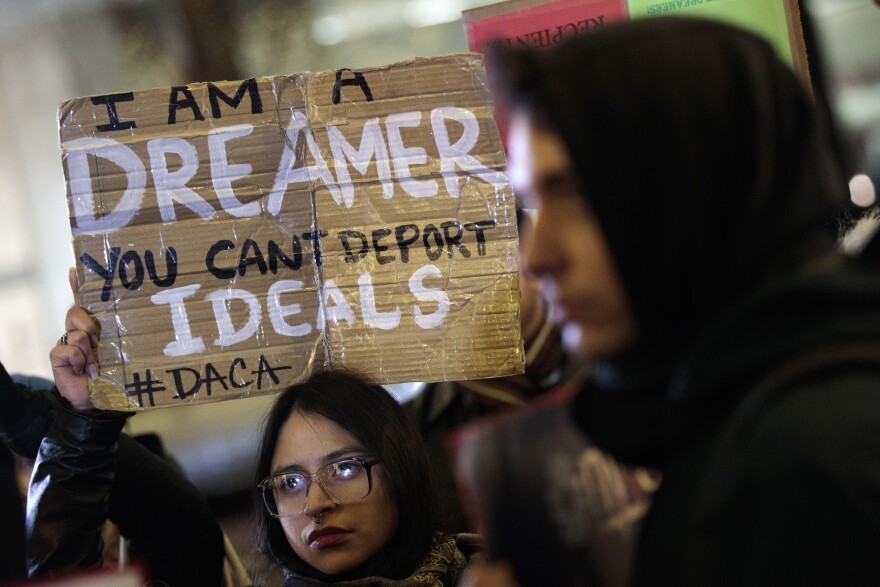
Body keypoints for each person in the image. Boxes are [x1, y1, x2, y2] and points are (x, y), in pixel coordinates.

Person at [467, 16, 880, 586]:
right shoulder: (730, 411)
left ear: (696, 185)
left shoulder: (805, 458)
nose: (535, 256)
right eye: (532, 204)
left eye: (578, 194)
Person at [32, 302, 481, 585]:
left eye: (344, 468)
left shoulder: (497, 574)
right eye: (289, 482)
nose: (315, 504)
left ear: (401, 469)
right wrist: (84, 422)